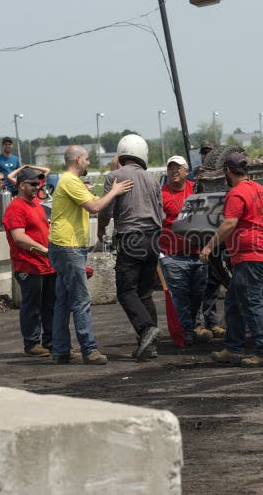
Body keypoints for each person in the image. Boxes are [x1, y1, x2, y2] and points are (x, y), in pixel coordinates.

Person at [49, 145, 133, 365]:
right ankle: (89, 349)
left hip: (62, 245)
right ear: (77, 160)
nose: (88, 162)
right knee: (81, 299)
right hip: (69, 246)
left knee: (64, 300)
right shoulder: (70, 181)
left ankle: (60, 350)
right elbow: (95, 206)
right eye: (86, 159)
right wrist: (115, 191)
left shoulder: (70, 182)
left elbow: (94, 201)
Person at [200, 151, 263, 368]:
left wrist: (208, 247)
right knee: (234, 301)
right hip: (260, 252)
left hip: (250, 255)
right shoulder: (260, 190)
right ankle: (233, 347)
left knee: (252, 303)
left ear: (227, 171)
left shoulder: (237, 192)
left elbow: (229, 224)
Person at [98, 134, 165, 360]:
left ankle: (147, 329)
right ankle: (150, 346)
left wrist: (101, 230)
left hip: (131, 238)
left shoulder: (114, 176)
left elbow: (106, 210)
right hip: (154, 238)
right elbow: (161, 213)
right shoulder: (153, 179)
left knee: (126, 290)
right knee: (145, 293)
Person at [3, 167, 56, 357]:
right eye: (33, 184)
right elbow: (19, 237)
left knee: (50, 305)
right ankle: (32, 343)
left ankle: (50, 341)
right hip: (28, 265)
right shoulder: (16, 208)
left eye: (39, 183)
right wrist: (44, 251)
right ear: (21, 185)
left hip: (45, 265)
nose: (37, 187)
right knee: (32, 306)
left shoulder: (36, 204)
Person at [158, 155, 209, 346]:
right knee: (179, 295)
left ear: (186, 171)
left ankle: (192, 324)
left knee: (198, 293)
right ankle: (186, 331)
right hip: (172, 254)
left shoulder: (195, 190)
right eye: (171, 167)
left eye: (178, 168)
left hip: (196, 252)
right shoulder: (161, 193)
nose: (174, 171)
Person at [189, 139, 225, 338]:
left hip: (218, 234)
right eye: (204, 152)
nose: (206, 155)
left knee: (213, 281)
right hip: (200, 233)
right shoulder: (195, 175)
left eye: (210, 152)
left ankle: (212, 320)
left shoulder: (223, 175)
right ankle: (198, 323)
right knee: (198, 281)